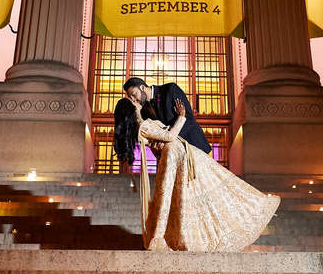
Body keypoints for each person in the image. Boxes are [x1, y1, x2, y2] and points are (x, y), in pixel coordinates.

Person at [113, 96, 280, 252]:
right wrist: (182, 116)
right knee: (201, 187)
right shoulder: (143, 126)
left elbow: (163, 140)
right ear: (130, 110)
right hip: (178, 155)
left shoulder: (145, 123)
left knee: (201, 189)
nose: (135, 100)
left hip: (180, 154)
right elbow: (170, 136)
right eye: (132, 101)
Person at [122, 77, 210, 154]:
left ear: (142, 87)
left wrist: (167, 140)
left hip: (195, 145)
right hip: (174, 153)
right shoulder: (144, 110)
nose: (133, 99)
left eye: (133, 94)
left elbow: (188, 117)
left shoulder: (170, 89)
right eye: (131, 97)